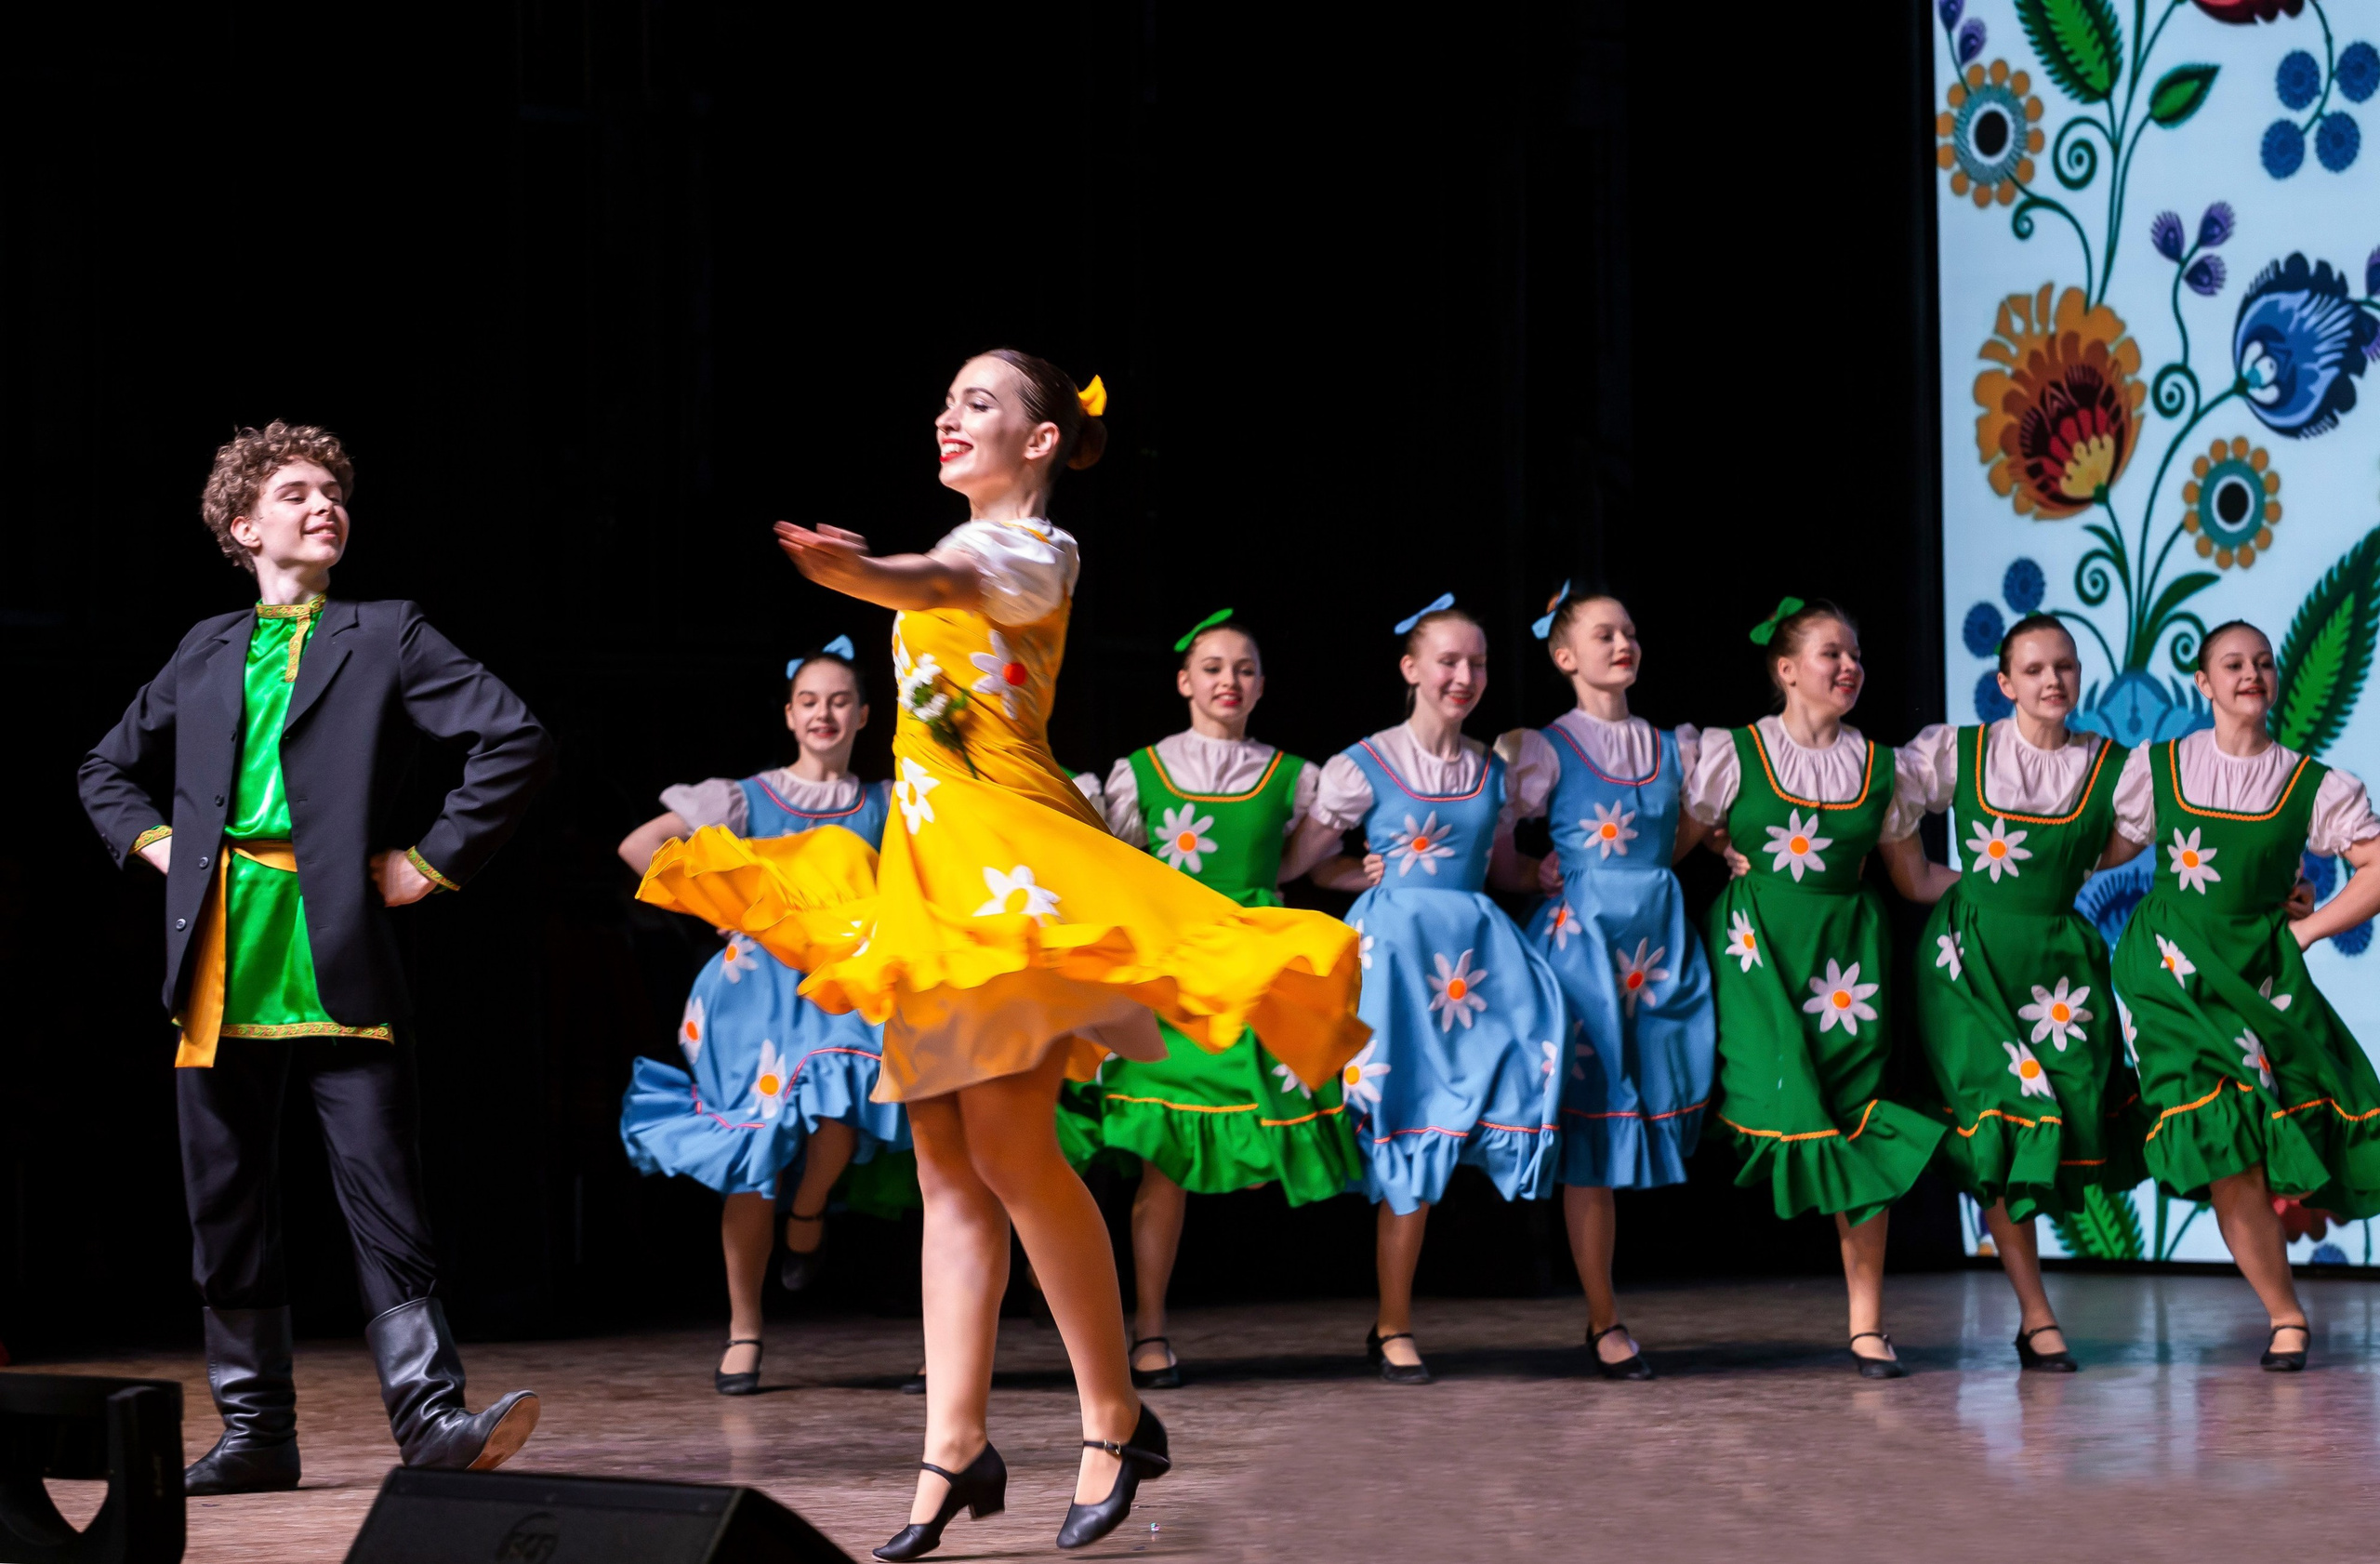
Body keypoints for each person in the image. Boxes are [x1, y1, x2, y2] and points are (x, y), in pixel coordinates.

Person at [636, 351, 1365, 1557]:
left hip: (1012, 880)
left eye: (979, 401)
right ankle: (954, 1447)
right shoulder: (959, 545)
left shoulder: (1033, 552)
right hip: (926, 878)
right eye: (947, 399)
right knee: (946, 1168)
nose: (949, 414)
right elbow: (929, 572)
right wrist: (878, 570)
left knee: (1016, 1152)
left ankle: (1111, 1415)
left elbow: (941, 574)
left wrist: (864, 572)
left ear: (1038, 441)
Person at [78, 422, 552, 1491]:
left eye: (335, 490)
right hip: (217, 949)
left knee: (383, 1186)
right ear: (245, 526)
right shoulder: (203, 646)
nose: (324, 503)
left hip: (333, 938)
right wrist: (159, 845)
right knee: (225, 1195)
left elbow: (512, 736)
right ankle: (255, 1431)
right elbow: (104, 769)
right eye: (296, 491)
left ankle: (432, 1416)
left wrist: (432, 861)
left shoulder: (386, 631)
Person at [1288, 599, 1569, 1385]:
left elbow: (1501, 867)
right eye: (1448, 661)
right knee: (1408, 1128)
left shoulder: (1492, 768)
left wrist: (1537, 875)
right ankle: (1393, 1323)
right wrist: (1350, 872)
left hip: (1474, 964)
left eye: (1476, 664)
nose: (1464, 677)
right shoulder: (1364, 765)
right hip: (1399, 966)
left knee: (1515, 1078)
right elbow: (1301, 866)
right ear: (1411, 669)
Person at [615, 642, 908, 1394]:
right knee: (749, 1162)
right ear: (789, 713)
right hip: (751, 997)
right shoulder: (747, 799)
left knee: (841, 1108)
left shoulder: (885, 804)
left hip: (836, 990)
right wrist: (721, 904)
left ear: (864, 714)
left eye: (840, 700)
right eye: (810, 700)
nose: (824, 713)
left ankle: (809, 1215)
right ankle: (745, 1330)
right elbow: (640, 845)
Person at [1085, 610, 1359, 1389]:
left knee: (1278, 1128)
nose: (1228, 682)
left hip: (1253, 975)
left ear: (1262, 685)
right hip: (1173, 977)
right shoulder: (1138, 775)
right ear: (1184, 682)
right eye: (1212, 668)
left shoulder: (1292, 778)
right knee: (1162, 1163)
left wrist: (1365, 876)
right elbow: (1111, 867)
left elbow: (1304, 864)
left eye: (1242, 669)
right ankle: (1148, 1330)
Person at [2109, 619, 2380, 1370]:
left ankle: (2292, 1219)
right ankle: (2286, 1316)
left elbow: (2377, 867)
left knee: (2288, 1120)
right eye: (2232, 663)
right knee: (2221, 1133)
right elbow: (2094, 849)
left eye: (2262, 663)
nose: (2250, 674)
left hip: (2258, 977)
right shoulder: (2157, 767)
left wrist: (2306, 929)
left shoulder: (2311, 784)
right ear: (2203, 684)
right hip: (2167, 973)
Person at [1687, 598, 1947, 1377]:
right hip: (1760, 951)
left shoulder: (1883, 769)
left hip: (1848, 963)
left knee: (1856, 1118)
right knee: (1775, 1095)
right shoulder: (1732, 755)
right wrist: (1724, 848)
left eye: (1856, 655)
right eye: (1831, 653)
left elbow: (1917, 878)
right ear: (1786, 669)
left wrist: (2025, 880)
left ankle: (1867, 1323)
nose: (1849, 667)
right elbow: (1680, 840)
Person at [1895, 616, 2145, 1371]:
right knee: (2008, 1114)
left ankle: (2035, 1316)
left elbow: (2133, 840)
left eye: (2064, 667)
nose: (2052, 681)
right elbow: (1882, 805)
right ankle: (2038, 1316)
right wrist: (1927, 882)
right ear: (2005, 683)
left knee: (2056, 1120)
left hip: (2058, 971)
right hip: (1966, 963)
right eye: (2034, 669)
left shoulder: (2112, 768)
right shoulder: (1960, 752)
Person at [1492, 589, 1715, 1379]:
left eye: (1629, 630)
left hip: (1653, 943)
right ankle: (1603, 1316)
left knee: (1660, 1094)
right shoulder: (1545, 749)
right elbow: (1493, 846)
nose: (1622, 642)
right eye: (1602, 633)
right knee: (1591, 1132)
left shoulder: (1676, 745)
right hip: (1581, 945)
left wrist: (1658, 870)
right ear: (1564, 657)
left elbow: (1687, 826)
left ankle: (1616, 1308)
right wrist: (1534, 871)